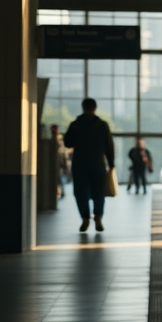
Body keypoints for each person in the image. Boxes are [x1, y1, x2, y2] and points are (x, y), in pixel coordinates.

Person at [62, 98, 115, 232]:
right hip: (98, 163)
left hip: (79, 163)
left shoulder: (75, 124)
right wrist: (111, 163)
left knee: (80, 192)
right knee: (99, 191)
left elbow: (67, 142)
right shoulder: (103, 125)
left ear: (83, 108)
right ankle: (98, 216)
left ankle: (85, 218)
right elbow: (109, 146)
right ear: (95, 108)